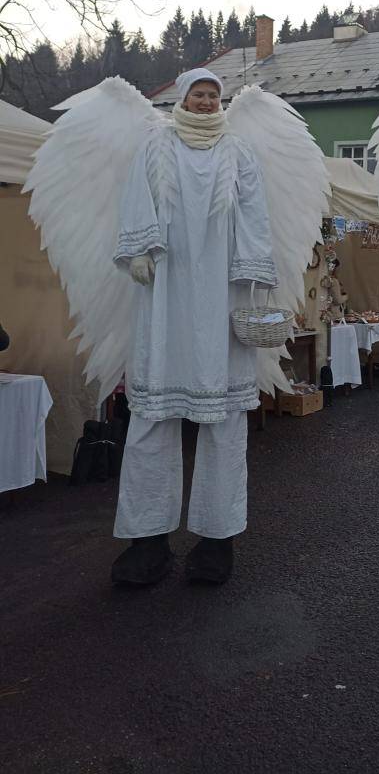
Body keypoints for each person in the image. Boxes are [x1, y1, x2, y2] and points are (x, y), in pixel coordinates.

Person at [111, 67, 278, 587]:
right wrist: (137, 249)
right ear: (182, 98)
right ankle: (147, 542)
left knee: (224, 423)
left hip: (222, 297)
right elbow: (136, 199)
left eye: (213, 96)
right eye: (198, 95)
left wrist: (252, 273)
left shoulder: (239, 153)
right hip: (165, 297)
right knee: (152, 420)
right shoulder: (156, 147)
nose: (206, 102)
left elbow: (254, 215)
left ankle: (217, 540)